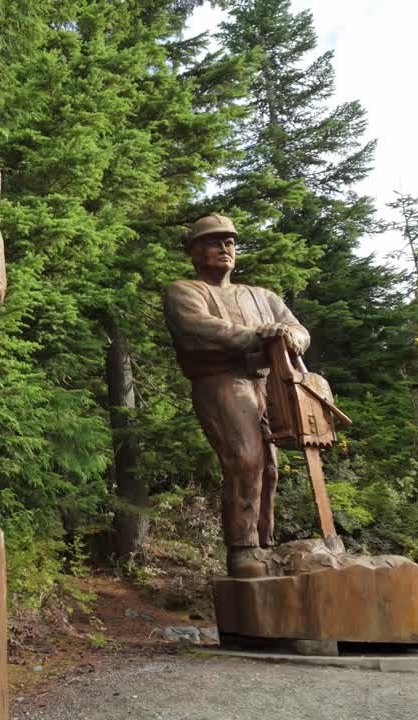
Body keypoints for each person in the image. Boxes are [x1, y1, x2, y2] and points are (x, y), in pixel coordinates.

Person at [163, 214, 310, 577]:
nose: (224, 248)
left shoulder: (263, 296)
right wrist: (259, 335)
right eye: (214, 242)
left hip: (266, 383)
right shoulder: (185, 291)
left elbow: (298, 329)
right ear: (195, 251)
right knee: (244, 460)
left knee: (270, 468)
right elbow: (199, 329)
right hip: (220, 382)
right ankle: (243, 550)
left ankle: (265, 545)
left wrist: (292, 337)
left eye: (229, 242)